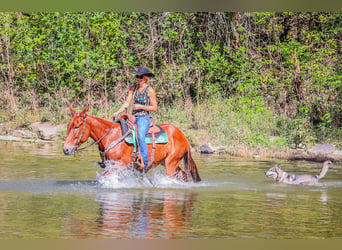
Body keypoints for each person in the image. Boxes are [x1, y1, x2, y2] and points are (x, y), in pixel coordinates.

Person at [113, 66, 158, 170]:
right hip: (133, 117)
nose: (138, 79)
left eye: (141, 77)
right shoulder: (133, 88)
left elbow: (154, 107)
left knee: (140, 136)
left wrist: (141, 106)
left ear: (146, 77)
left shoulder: (149, 90)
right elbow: (127, 103)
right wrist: (117, 112)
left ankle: (144, 163)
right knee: (119, 131)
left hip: (144, 117)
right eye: (137, 76)